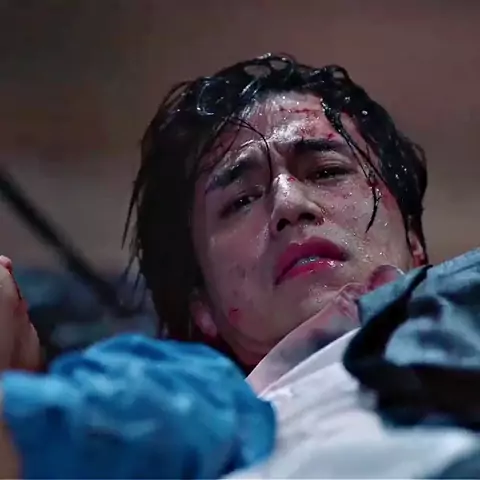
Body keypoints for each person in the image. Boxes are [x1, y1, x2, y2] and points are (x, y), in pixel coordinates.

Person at [0, 54, 479, 478]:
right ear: (203, 306)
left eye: (328, 172)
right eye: (241, 200)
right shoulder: (189, 396)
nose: (289, 204)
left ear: (414, 238)